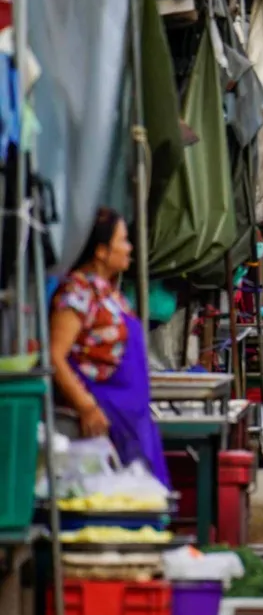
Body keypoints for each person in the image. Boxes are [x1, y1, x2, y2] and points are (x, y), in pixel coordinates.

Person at [49, 208, 171, 488]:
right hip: (101, 422)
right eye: (123, 240)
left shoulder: (108, 292)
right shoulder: (78, 292)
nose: (129, 248)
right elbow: (54, 355)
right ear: (101, 251)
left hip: (132, 421)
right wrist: (86, 407)